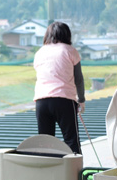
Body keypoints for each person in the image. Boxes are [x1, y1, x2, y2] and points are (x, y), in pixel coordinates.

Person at [33, 21, 86, 154]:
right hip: (64, 101)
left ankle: (47, 173)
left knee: (45, 143)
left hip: (41, 102)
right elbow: (78, 79)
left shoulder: (39, 53)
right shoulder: (70, 51)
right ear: (67, 35)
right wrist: (81, 99)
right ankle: (74, 173)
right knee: (71, 141)